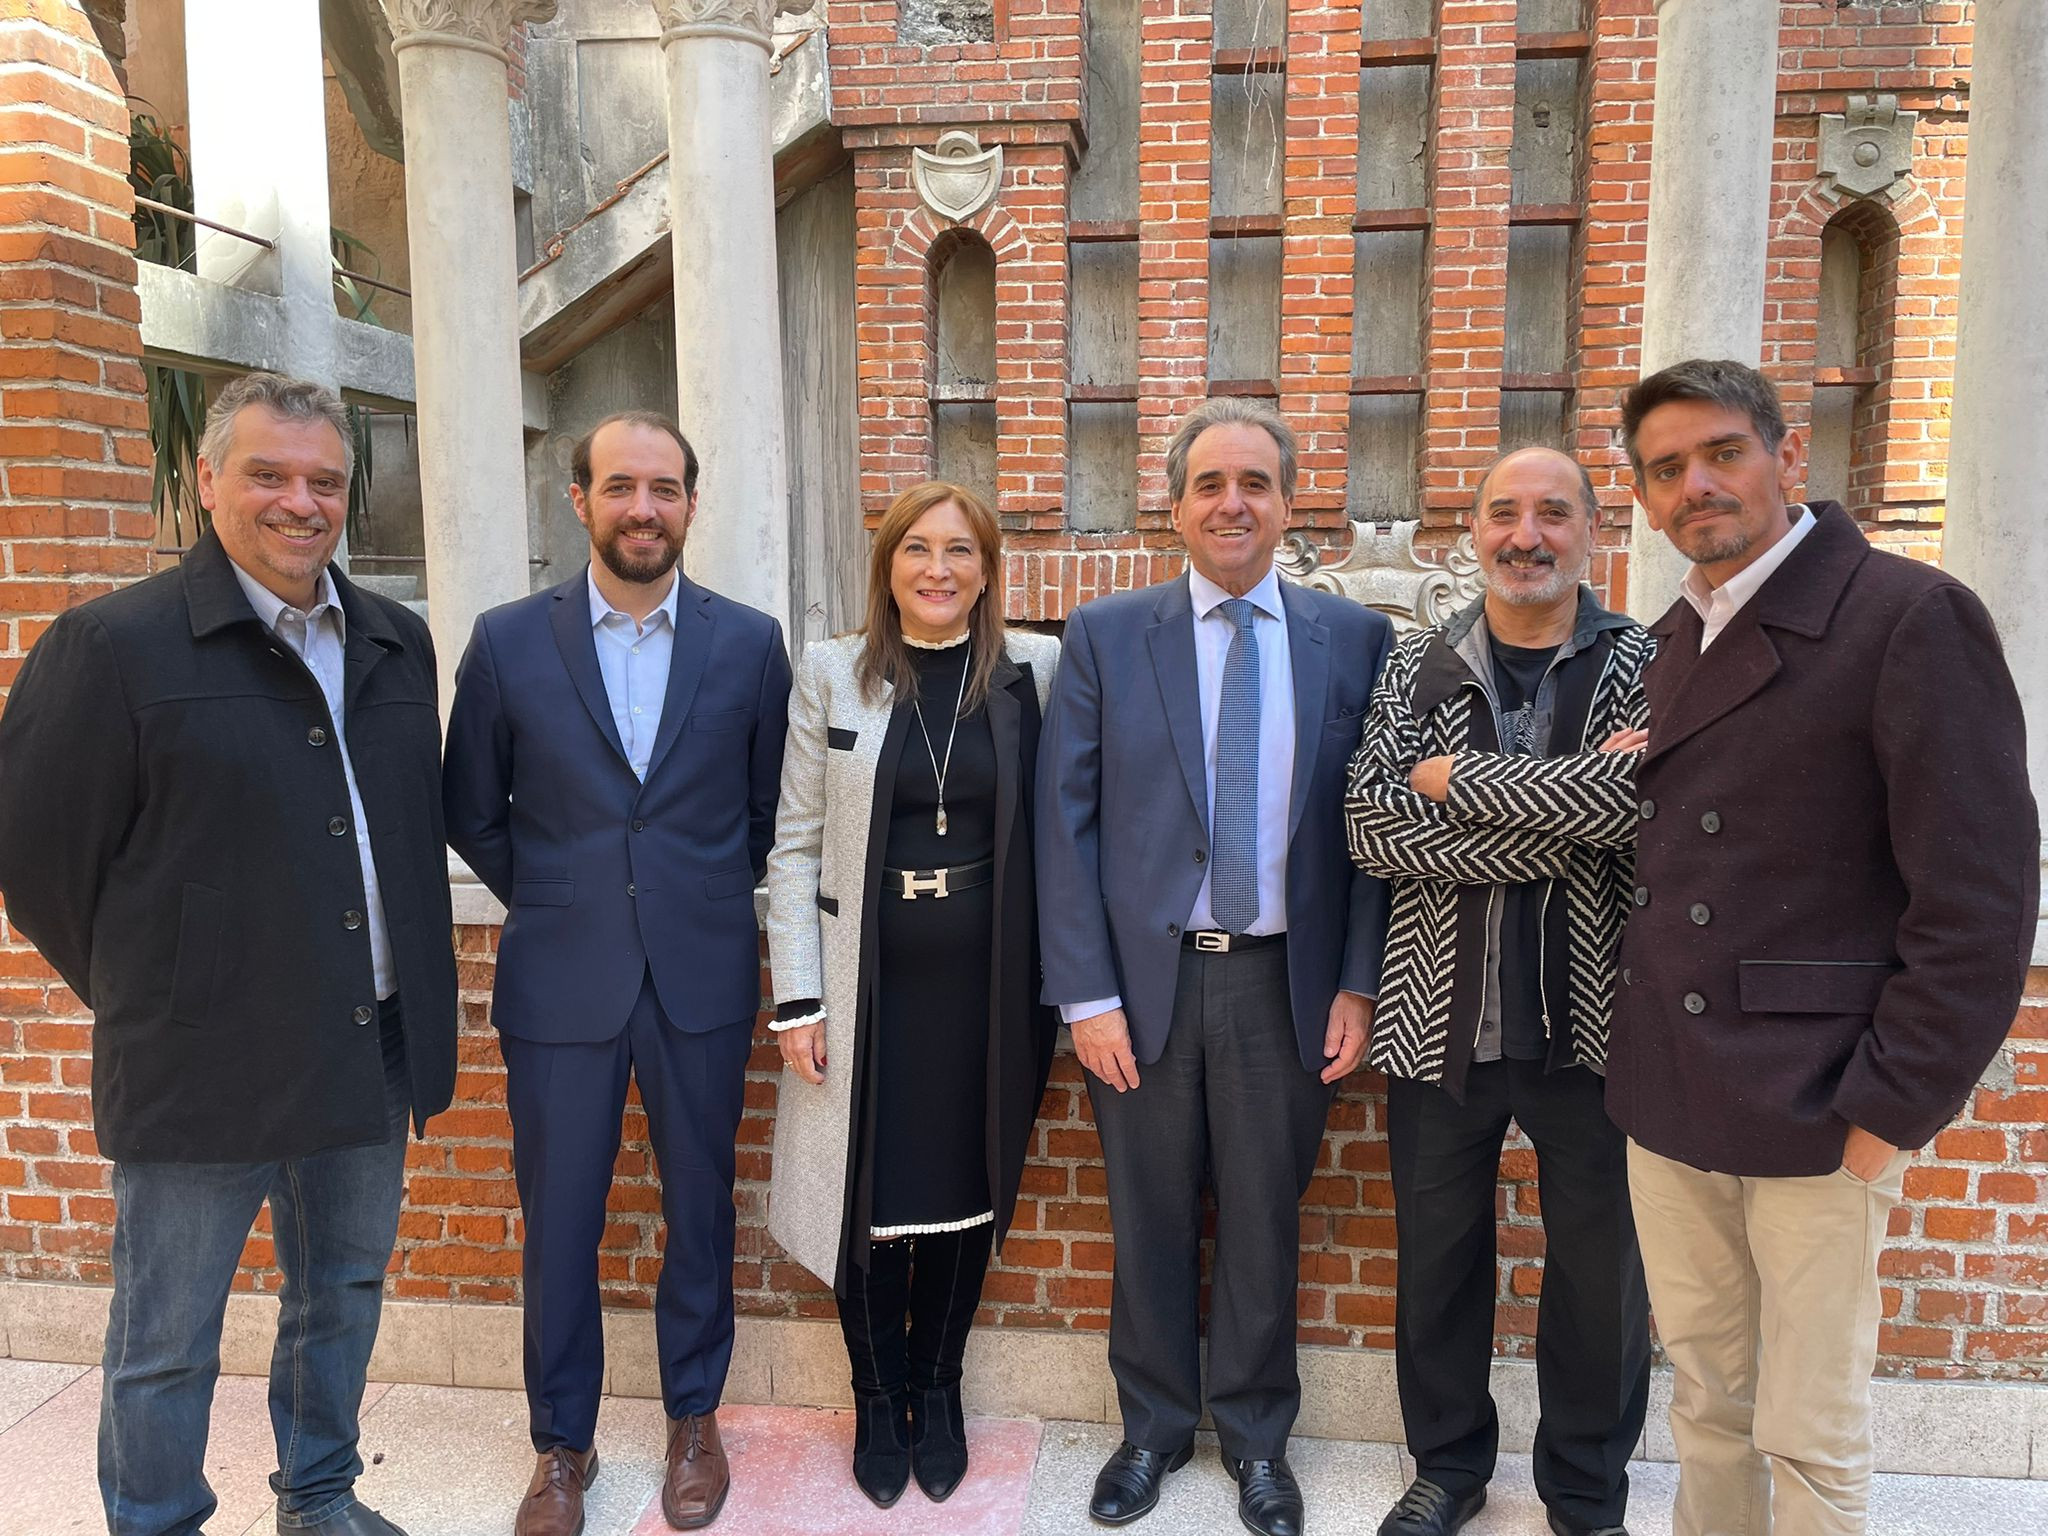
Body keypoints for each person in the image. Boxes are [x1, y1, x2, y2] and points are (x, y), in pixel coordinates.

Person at [0, 373, 454, 1536]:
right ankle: (156, 1522)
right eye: (269, 473)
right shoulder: (112, 646)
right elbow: (38, 857)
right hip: (199, 1061)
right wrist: (165, 985)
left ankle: (318, 1496)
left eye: (325, 480)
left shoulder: (399, 643)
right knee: (167, 1334)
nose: (301, 502)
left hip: (370, 1041)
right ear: (208, 482)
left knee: (339, 1296)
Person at [1607, 359, 2038, 1536]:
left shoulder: (1904, 614)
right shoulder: (1673, 637)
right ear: (1643, 500)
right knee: (1703, 1399)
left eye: (1720, 453)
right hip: (1673, 1100)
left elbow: (1978, 900)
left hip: (1818, 1103)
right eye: (1664, 470)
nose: (1696, 485)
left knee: (1808, 1431)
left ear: (1783, 457)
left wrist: (1887, 1112)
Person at [1037, 398, 1393, 1536]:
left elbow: (1367, 833)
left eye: (1253, 482)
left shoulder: (1354, 641)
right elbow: (1066, 826)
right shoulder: (1103, 636)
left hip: (1281, 983)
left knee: (1261, 1219)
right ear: (1174, 507)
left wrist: (1355, 980)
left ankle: (1254, 1443)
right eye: (1208, 484)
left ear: (1288, 503)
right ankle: (1147, 1432)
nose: (1230, 502)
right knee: (1143, 1213)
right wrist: (1085, 994)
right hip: (1141, 988)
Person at [442, 411, 791, 1536]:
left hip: (699, 972)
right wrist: (556, 893)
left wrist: (686, 897)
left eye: (665, 489)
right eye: (620, 487)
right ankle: (562, 1446)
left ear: (692, 504)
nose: (643, 508)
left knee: (698, 1208)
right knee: (559, 1220)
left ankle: (694, 1417)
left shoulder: (748, 643)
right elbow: (470, 809)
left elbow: (762, 815)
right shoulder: (505, 640)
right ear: (579, 500)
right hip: (559, 977)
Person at [1346, 446, 1653, 1536]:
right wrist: (1562, 814)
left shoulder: (1642, 661)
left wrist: (1458, 787)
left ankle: (1583, 1490)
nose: (1527, 534)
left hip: (1598, 1028)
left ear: (1590, 531)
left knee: (1598, 1277)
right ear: (1469, 532)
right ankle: (1446, 1469)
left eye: (1552, 513)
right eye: (1504, 514)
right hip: (1437, 1021)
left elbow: (1643, 813)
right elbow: (1371, 827)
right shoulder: (1411, 667)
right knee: (1434, 1264)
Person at [763, 480, 1060, 1507]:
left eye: (959, 551)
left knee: (964, 1197)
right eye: (916, 550)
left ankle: (938, 1389)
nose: (938, 569)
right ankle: (874, 1392)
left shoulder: (1033, 670)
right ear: (886, 565)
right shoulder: (831, 674)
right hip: (864, 989)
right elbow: (794, 848)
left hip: (989, 995)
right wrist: (797, 999)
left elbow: (1065, 833)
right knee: (867, 1204)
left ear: (985, 569)